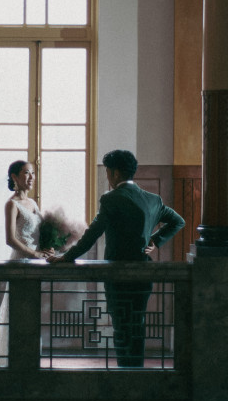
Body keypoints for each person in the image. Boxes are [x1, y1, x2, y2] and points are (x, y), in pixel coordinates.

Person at [49, 149, 185, 367]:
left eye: (107, 172)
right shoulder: (153, 199)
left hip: (118, 272)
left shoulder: (111, 199)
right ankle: (136, 370)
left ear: (115, 173)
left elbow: (92, 234)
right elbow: (178, 221)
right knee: (137, 322)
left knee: (121, 324)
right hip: (144, 271)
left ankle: (125, 371)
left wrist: (67, 257)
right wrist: (154, 241)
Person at [0, 160, 51, 367]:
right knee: (15, 309)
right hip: (20, 261)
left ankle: (29, 357)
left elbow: (40, 232)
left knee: (32, 309)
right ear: (14, 177)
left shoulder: (34, 203)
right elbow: (10, 239)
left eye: (33, 173)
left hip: (36, 262)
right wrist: (34, 253)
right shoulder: (11, 204)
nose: (31, 177)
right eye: (26, 173)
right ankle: (8, 357)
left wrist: (50, 248)